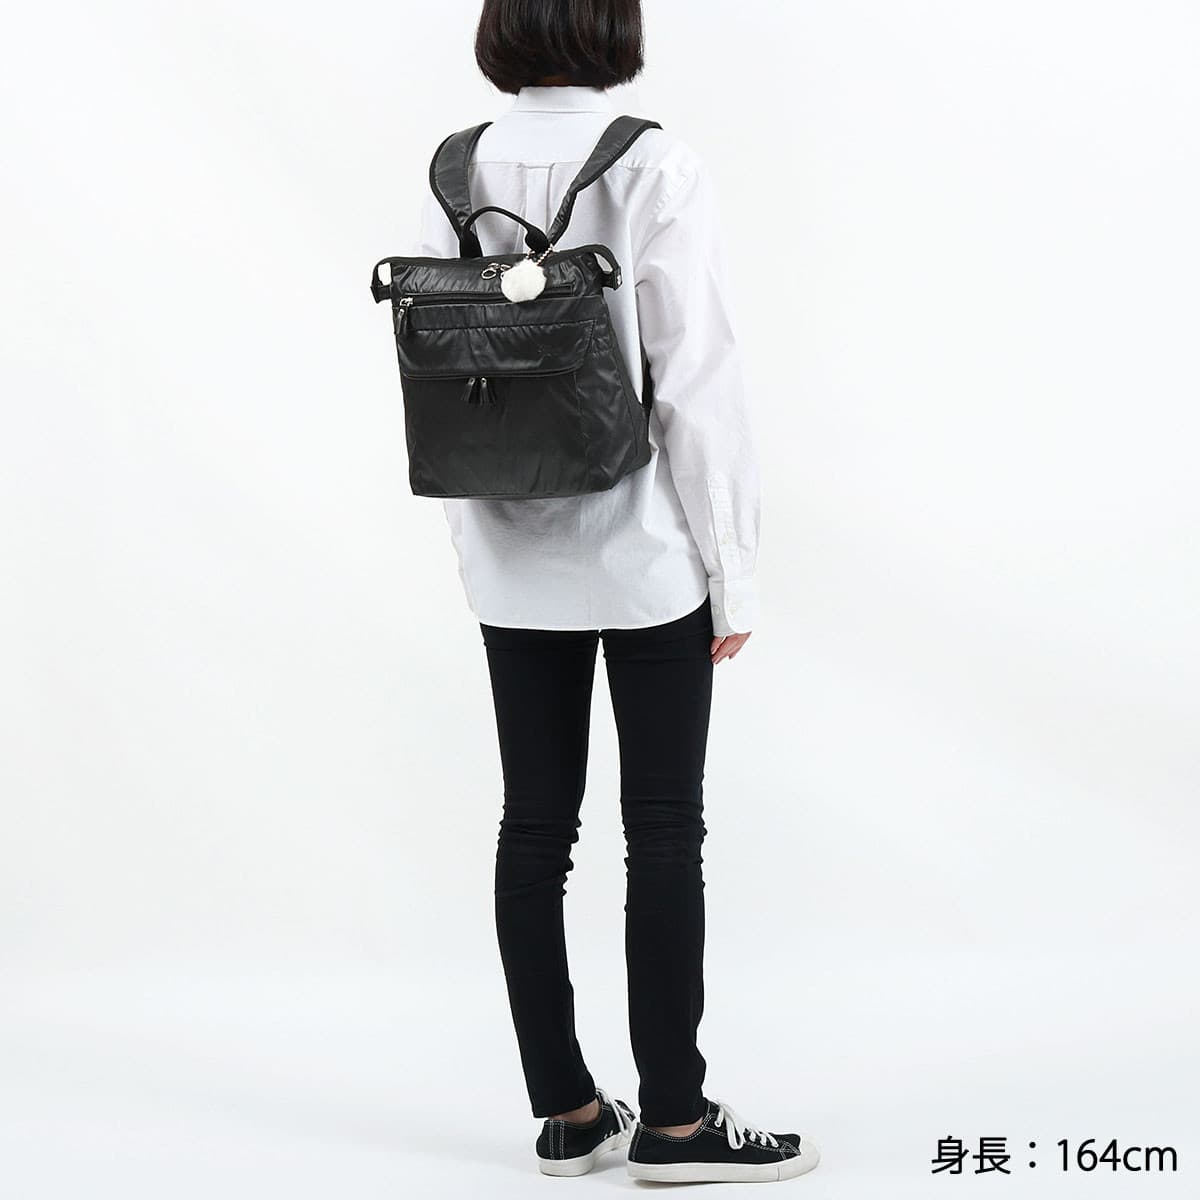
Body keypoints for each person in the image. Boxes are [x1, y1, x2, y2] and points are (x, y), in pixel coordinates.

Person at [411, 0, 819, 1184]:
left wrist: (478, 543)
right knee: (664, 832)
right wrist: (732, 571)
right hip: (645, 554)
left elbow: (444, 362)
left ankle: (570, 1115)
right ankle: (678, 1125)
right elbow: (697, 379)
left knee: (534, 829)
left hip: (506, 550)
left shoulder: (455, 169)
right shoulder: (655, 165)